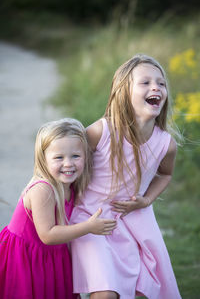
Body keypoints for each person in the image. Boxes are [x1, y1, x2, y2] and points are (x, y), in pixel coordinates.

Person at [70, 54, 182, 299]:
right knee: (107, 292)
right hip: (92, 219)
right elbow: (71, 168)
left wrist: (147, 199)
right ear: (123, 92)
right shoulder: (101, 132)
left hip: (134, 221)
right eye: (145, 82)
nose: (156, 87)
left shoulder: (165, 144)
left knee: (146, 285)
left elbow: (165, 175)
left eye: (161, 83)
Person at [0, 118, 117, 299]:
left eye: (75, 156)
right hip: (25, 259)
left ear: (86, 156)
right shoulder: (43, 189)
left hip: (52, 257)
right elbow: (47, 235)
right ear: (43, 159)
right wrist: (89, 227)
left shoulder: (71, 185)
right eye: (59, 158)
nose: (68, 163)